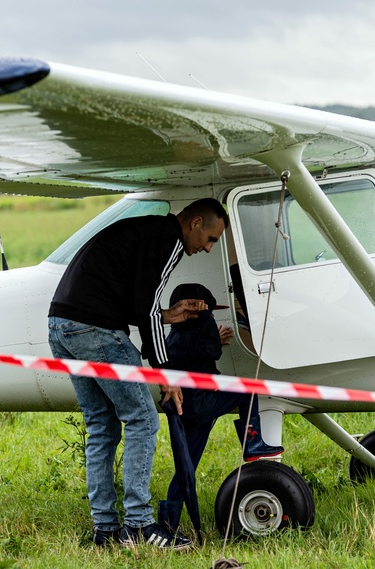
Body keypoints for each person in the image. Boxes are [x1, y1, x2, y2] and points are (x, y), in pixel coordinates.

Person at [47, 198, 228, 550]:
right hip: (95, 331)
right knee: (144, 420)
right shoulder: (169, 240)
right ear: (193, 223)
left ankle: (106, 531)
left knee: (101, 424)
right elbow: (143, 309)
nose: (207, 248)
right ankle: (139, 526)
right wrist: (165, 374)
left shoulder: (147, 231)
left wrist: (165, 314)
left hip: (61, 326)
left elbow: (135, 301)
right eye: (210, 238)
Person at [157, 282, 284, 533]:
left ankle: (168, 520)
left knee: (187, 467)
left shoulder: (176, 336)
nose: (212, 316)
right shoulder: (199, 331)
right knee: (246, 389)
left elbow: (200, 352)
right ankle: (252, 443)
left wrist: (211, 332)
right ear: (197, 315)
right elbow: (211, 351)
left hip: (185, 410)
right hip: (200, 404)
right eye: (210, 312)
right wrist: (207, 324)